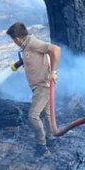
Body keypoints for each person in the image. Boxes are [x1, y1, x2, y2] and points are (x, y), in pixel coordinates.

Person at [6, 22, 61, 156]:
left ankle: (41, 146)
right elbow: (32, 57)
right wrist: (18, 64)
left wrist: (54, 71)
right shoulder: (27, 46)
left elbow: (55, 49)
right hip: (39, 86)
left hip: (43, 86)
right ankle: (52, 139)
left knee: (33, 116)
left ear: (17, 39)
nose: (14, 42)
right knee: (47, 114)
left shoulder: (33, 43)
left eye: (13, 40)